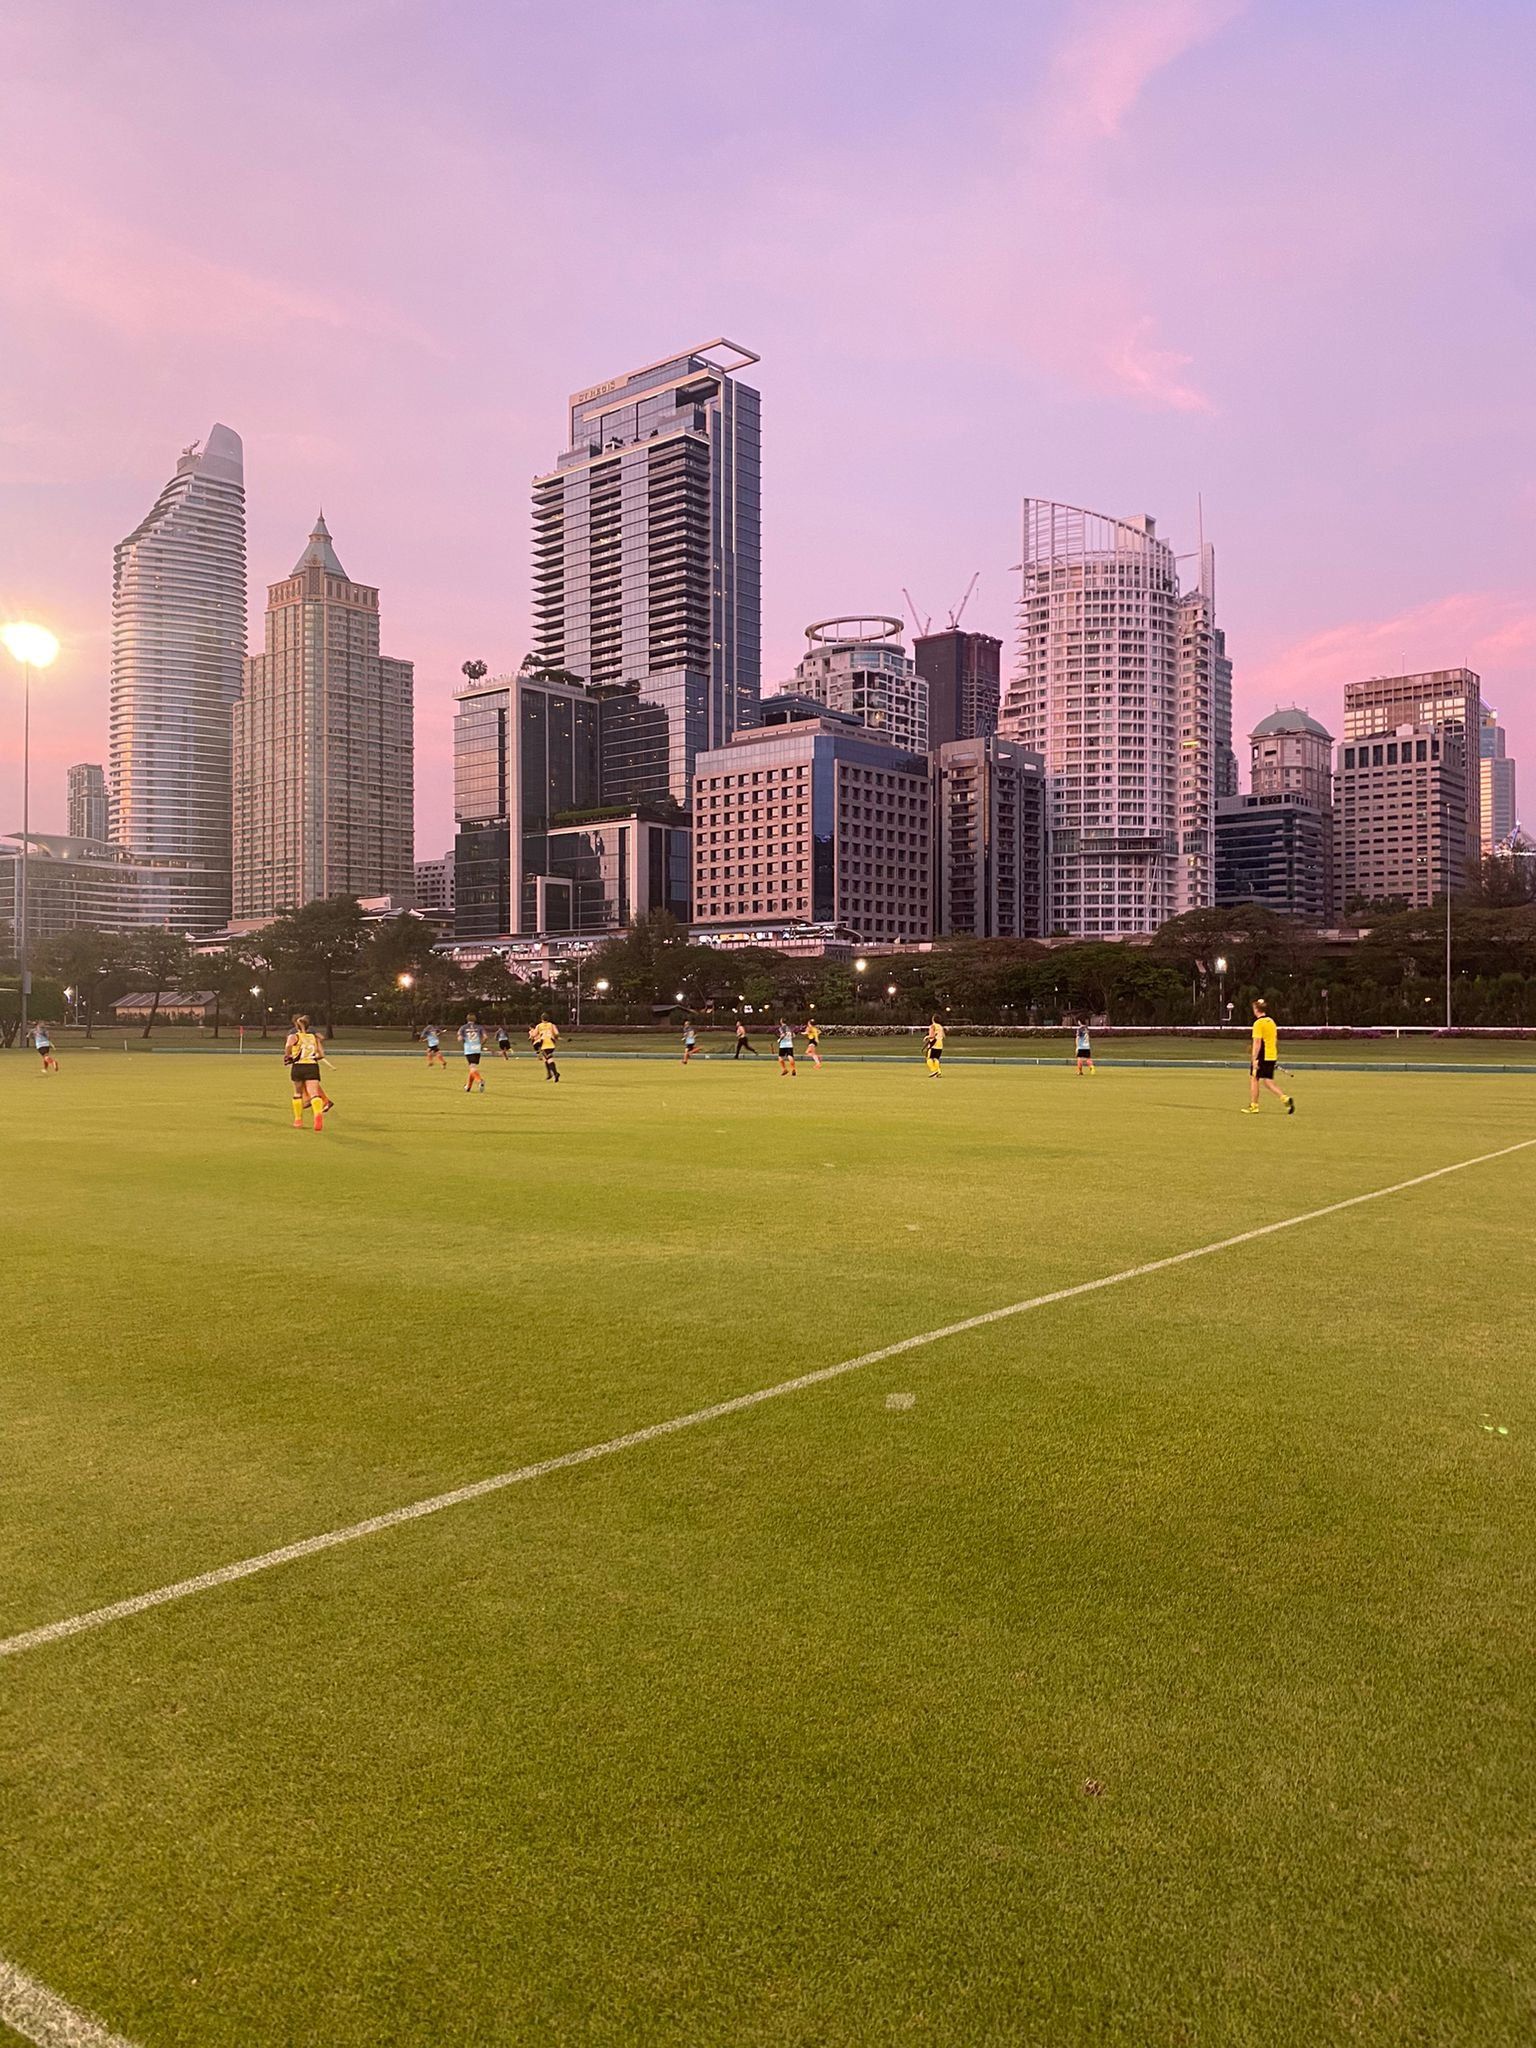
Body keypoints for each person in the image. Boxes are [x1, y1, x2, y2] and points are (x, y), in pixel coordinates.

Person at [1245, 999, 1295, 1116]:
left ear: (1256, 1010)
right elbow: (1274, 1039)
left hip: (1262, 1055)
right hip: (1271, 1054)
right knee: (1267, 1081)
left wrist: (1254, 1058)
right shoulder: (1271, 1021)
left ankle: (1254, 1106)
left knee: (1254, 1078)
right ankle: (1285, 1098)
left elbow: (1257, 1043)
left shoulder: (1258, 1023)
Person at [284, 1014, 330, 1130]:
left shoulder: (293, 1036)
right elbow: (321, 1055)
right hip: (312, 1067)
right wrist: (315, 1058)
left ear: (296, 1025)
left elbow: (288, 1047)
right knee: (314, 1094)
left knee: (298, 1093)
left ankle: (298, 1120)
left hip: (298, 1067)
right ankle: (317, 1116)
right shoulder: (314, 1037)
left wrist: (288, 1056)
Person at [459, 1014, 486, 1092]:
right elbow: (485, 1037)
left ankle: (480, 1080)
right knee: (472, 1067)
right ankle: (468, 1087)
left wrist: (463, 1040)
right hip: (477, 1049)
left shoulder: (463, 1027)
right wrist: (481, 1044)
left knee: (472, 1067)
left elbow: (459, 1038)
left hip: (469, 1049)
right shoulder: (479, 1027)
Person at [530, 1013, 561, 1082]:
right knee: (545, 1058)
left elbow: (534, 1035)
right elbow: (556, 1033)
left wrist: (532, 1034)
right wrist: (555, 1037)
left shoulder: (539, 1026)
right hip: (551, 1044)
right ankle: (549, 1074)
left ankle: (555, 1074)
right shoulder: (552, 1025)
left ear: (541, 1019)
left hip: (544, 1045)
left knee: (549, 1059)